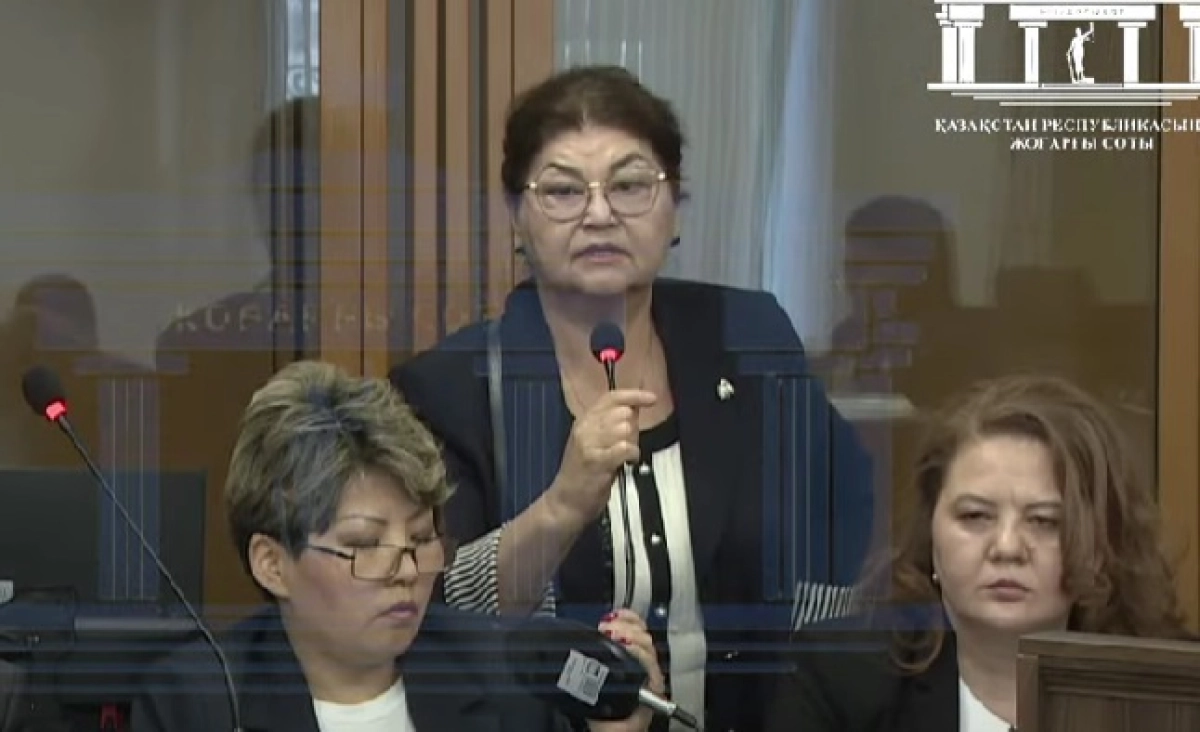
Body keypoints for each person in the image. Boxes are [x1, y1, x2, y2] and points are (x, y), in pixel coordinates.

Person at [390, 64, 875, 732]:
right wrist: (562, 506)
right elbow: (445, 609)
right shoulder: (451, 388)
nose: (600, 214)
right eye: (563, 190)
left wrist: (805, 697)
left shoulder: (748, 335)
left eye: (629, 185)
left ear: (674, 206)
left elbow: (840, 515)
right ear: (517, 219)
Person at [131, 361, 661, 732]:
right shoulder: (195, 702)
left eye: (422, 539)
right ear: (272, 564)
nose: (407, 570)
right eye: (366, 545)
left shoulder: (506, 675)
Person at [764, 374, 1192, 732]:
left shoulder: (1178, 692)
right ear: (931, 530)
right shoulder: (839, 675)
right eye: (975, 516)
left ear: (1101, 544)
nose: (1007, 548)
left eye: (1045, 521)